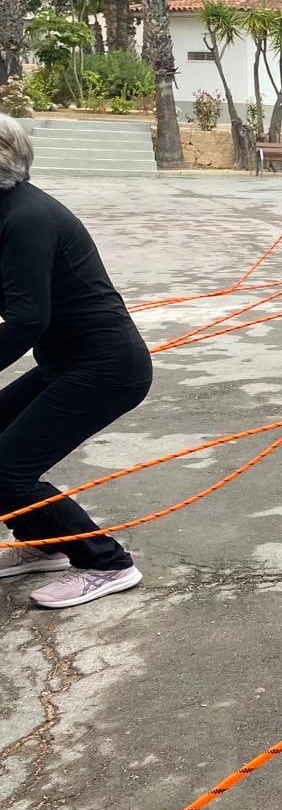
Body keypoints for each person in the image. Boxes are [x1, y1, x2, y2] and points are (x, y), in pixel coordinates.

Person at [0, 117, 150, 609]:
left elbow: (26, 320)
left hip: (106, 368)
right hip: (67, 361)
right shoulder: (8, 210)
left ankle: (105, 563)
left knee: (5, 470)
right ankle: (42, 544)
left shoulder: (26, 218)